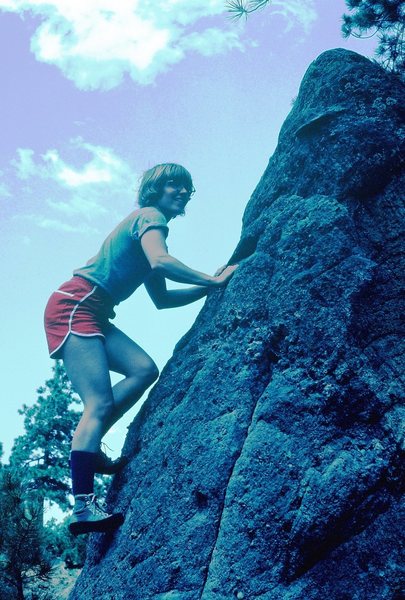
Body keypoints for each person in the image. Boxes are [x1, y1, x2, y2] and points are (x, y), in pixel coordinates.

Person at [44, 163, 238, 536]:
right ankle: (83, 507)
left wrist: (211, 288)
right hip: (75, 305)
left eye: (186, 187)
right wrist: (212, 279)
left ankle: (90, 440)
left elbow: (162, 300)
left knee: (143, 369)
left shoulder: (148, 231)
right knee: (97, 404)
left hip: (93, 311)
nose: (181, 192)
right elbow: (161, 261)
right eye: (172, 185)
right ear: (154, 190)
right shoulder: (150, 219)